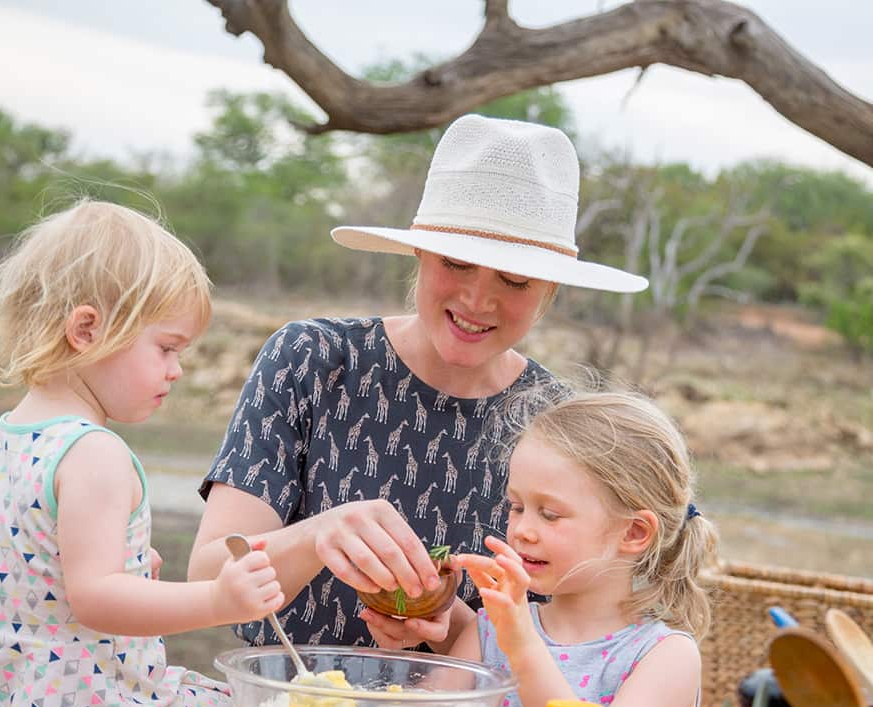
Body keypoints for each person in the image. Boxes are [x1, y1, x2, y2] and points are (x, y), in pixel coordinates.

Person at [188, 114, 648, 651]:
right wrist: (317, 535)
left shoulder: (561, 423)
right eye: (456, 263)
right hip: (292, 704)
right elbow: (207, 579)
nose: (478, 300)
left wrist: (452, 623)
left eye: (515, 280)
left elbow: (581, 638)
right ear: (419, 253)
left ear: (552, 288)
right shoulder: (311, 360)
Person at [0, 200, 284, 707]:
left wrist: (134, 571)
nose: (177, 369)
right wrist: (219, 599)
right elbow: (95, 600)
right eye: (166, 347)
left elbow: (7, 584)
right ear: (87, 331)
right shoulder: (94, 451)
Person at [442, 389, 715, 707]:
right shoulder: (488, 630)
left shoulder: (664, 656)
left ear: (634, 532)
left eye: (549, 514)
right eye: (516, 507)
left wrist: (522, 647)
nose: (521, 530)